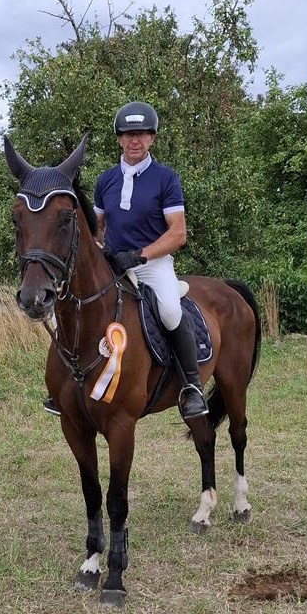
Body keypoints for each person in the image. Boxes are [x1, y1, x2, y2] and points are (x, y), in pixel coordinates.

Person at [43, 101, 207, 420]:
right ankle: (62, 388)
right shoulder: (105, 181)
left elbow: (178, 233)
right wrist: (98, 253)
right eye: (129, 134)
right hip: (114, 265)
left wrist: (141, 254)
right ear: (119, 138)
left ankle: (191, 386)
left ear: (152, 139)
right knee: (66, 310)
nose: (136, 140)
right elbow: (97, 229)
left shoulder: (165, 178)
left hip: (153, 264)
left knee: (171, 312)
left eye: (143, 134)